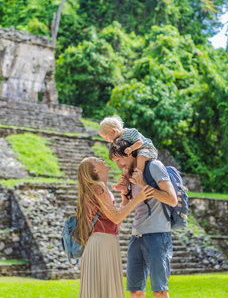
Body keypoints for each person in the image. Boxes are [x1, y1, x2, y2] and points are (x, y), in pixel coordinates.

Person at [109, 138, 178, 298]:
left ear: (131, 153)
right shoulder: (129, 175)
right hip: (137, 235)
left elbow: (172, 199)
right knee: (135, 291)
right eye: (115, 162)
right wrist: (124, 195)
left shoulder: (154, 166)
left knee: (159, 291)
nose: (119, 165)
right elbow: (127, 207)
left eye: (120, 159)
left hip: (158, 235)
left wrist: (143, 184)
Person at [76, 157, 154, 298]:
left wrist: (124, 201)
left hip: (104, 241)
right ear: (95, 170)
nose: (100, 158)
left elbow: (114, 222)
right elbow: (116, 218)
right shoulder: (98, 188)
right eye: (96, 160)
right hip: (102, 243)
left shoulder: (100, 189)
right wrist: (138, 198)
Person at [99, 115, 158, 191]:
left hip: (146, 148)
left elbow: (140, 142)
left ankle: (138, 175)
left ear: (114, 131)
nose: (107, 140)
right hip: (136, 151)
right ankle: (124, 184)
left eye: (106, 137)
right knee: (126, 168)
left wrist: (131, 148)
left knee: (141, 157)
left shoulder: (129, 132)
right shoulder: (118, 140)